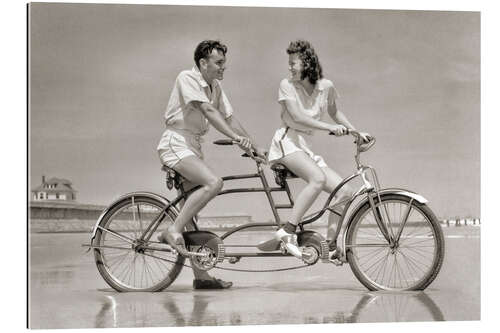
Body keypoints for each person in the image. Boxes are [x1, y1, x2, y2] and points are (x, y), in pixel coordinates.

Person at [157, 40, 266, 289]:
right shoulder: (187, 77)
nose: (222, 68)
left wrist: (252, 146)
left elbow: (228, 117)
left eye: (224, 63)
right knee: (213, 183)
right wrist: (234, 138)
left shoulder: (214, 86)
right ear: (203, 63)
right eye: (218, 63)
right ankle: (171, 230)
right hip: (176, 142)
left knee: (191, 215)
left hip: (193, 145)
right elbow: (208, 110)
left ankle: (202, 278)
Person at [267, 39, 371, 259]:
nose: (289, 67)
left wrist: (355, 132)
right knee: (317, 179)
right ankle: (288, 231)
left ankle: (330, 245)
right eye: (289, 63)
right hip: (287, 142)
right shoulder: (287, 85)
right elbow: (297, 117)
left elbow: (335, 112)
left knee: (345, 192)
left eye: (293, 63)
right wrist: (329, 128)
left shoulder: (326, 87)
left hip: (305, 146)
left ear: (306, 63)